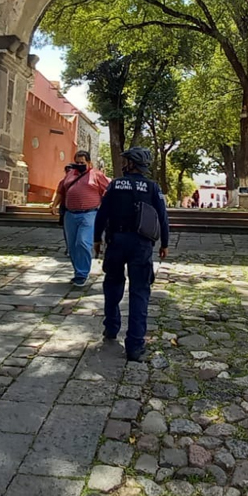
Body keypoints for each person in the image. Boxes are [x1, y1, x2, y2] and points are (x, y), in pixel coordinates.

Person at [94, 147, 169, 362]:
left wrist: (97, 239)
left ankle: (111, 328)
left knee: (113, 285)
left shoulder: (115, 185)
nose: (123, 164)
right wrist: (165, 243)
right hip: (142, 245)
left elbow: (102, 213)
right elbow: (163, 218)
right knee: (139, 292)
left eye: (126, 161)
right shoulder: (153, 188)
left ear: (132, 164)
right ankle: (135, 346)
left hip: (116, 242)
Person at [54, 150, 110, 286]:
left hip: (89, 214)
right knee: (72, 246)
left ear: (89, 163)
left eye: (82, 163)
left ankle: (82, 273)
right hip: (70, 215)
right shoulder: (70, 174)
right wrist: (54, 204)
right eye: (77, 162)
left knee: (83, 242)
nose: (79, 165)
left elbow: (108, 189)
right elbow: (61, 190)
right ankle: (78, 272)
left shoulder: (96, 175)